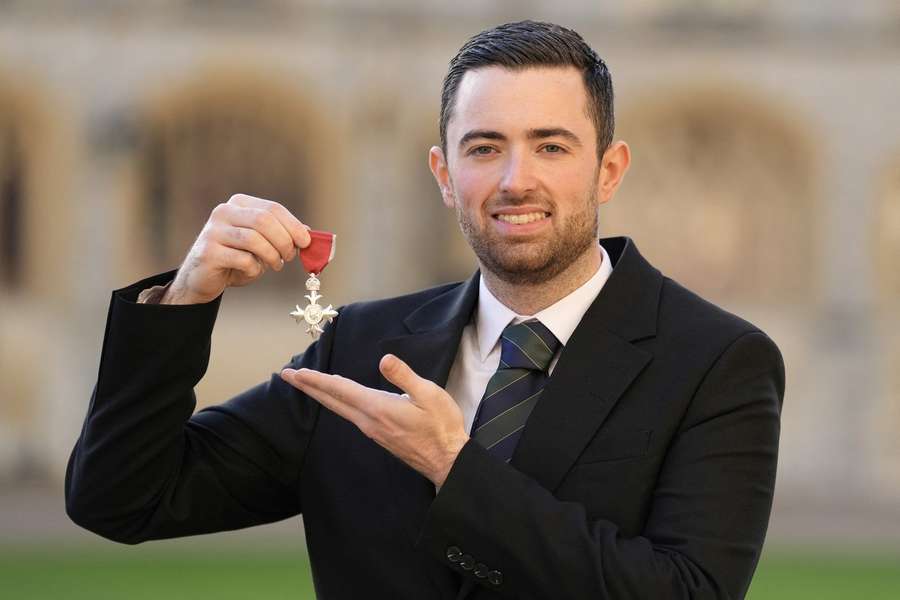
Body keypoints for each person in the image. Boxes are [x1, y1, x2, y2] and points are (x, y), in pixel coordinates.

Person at [65, 20, 785, 600]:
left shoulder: (715, 362)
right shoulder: (361, 347)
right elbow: (123, 498)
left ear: (609, 170)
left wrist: (456, 467)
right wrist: (186, 296)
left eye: (551, 146)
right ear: (444, 173)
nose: (515, 179)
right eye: (484, 147)